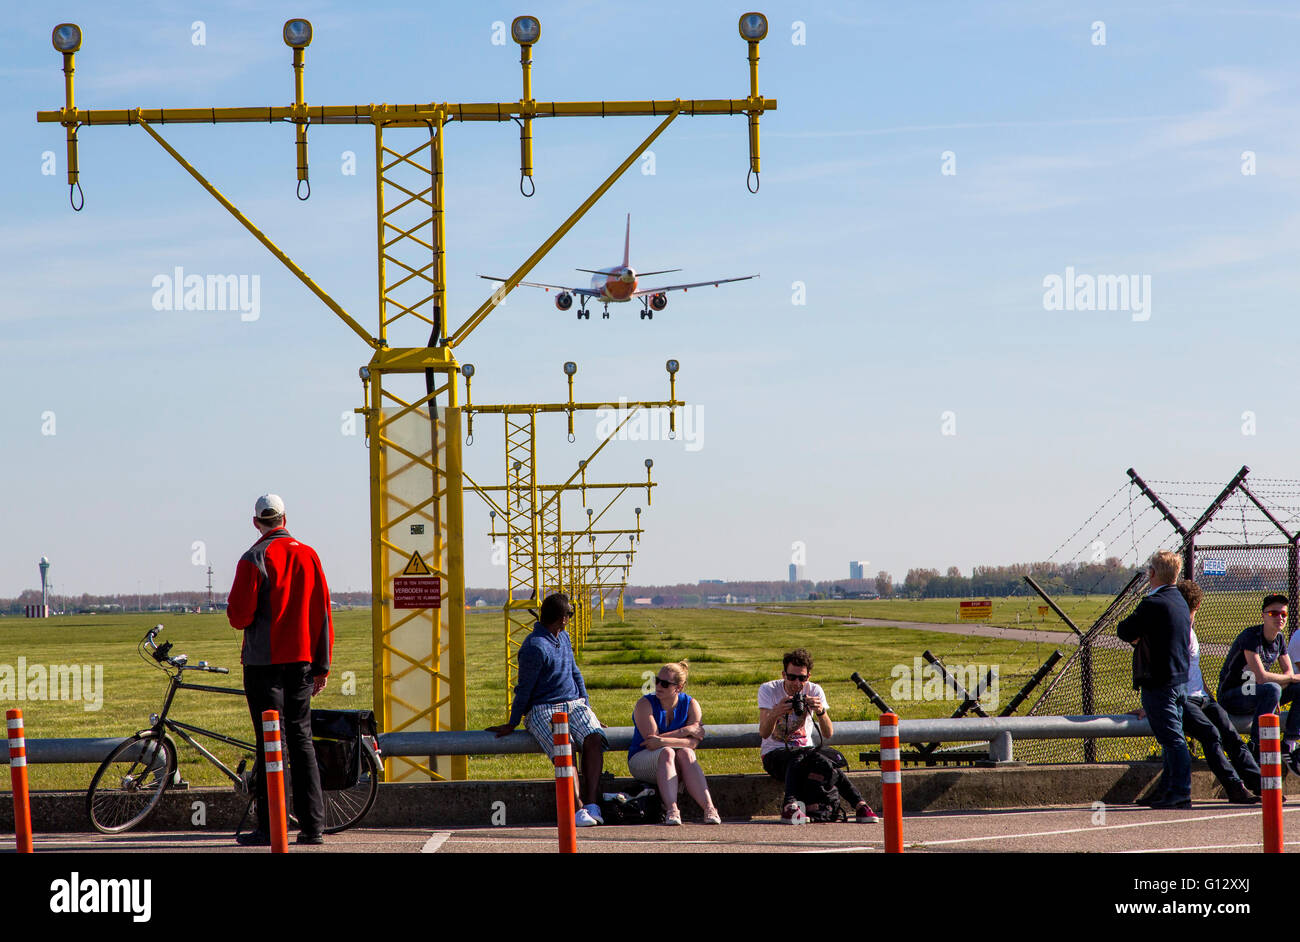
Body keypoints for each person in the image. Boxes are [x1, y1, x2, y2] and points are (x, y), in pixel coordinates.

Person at [226, 494, 334, 846]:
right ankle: (313, 826)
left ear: (256, 522)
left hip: (263, 666)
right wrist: (321, 666)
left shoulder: (253, 558)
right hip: (302, 663)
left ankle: (272, 827)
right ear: (285, 519)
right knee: (302, 740)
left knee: (271, 742)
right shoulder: (309, 555)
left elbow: (239, 616)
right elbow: (322, 614)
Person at [1135, 580, 1260, 805]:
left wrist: (1209, 695)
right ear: (1198, 606)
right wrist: (1156, 705)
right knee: (1211, 734)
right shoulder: (1174, 633)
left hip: (1202, 697)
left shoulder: (1189, 632)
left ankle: (1259, 783)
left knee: (1230, 733)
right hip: (1184, 698)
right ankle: (1235, 786)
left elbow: (1194, 669)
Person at [488, 592, 607, 828]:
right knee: (566, 748)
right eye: (570, 613)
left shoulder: (564, 637)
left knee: (594, 738)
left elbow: (575, 672)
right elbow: (524, 689)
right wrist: (513, 722)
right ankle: (577, 808)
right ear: (562, 618)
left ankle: (593, 804)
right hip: (543, 708)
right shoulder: (534, 647)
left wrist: (587, 707)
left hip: (574, 704)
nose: (571, 617)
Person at [758, 648, 879, 824]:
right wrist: (777, 711)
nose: (796, 683)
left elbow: (828, 733)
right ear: (784, 675)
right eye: (791, 677)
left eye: (802, 678)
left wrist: (821, 712)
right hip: (774, 754)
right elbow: (764, 733)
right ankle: (789, 806)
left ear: (808, 677)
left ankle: (860, 805)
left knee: (826, 762)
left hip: (807, 753)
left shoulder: (814, 690)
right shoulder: (769, 690)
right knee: (801, 756)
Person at [1116, 550, 1192, 809]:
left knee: (1172, 740)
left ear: (1152, 573)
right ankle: (1166, 789)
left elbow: (1124, 630)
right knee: (1172, 738)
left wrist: (1139, 637)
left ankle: (1180, 791)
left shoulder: (1153, 603)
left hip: (1159, 682)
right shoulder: (1179, 600)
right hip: (1179, 680)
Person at [628, 660, 721, 825]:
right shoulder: (644, 704)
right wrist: (685, 731)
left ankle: (709, 808)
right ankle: (672, 810)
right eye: (656, 680)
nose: (658, 686)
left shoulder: (691, 704)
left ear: (679, 687)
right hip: (642, 759)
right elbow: (651, 742)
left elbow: (692, 744)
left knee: (687, 753)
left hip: (675, 762)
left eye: (664, 684)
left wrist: (663, 740)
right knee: (667, 752)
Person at [1216, 593, 1300, 772]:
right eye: (1273, 613)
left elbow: (1288, 672)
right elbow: (1261, 677)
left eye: (1283, 614)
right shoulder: (1250, 636)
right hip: (1234, 695)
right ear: (1263, 615)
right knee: (1272, 689)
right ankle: (1256, 746)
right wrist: (1288, 681)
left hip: (1259, 694)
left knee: (1294, 687)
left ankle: (1289, 743)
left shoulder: (1279, 639)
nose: (1279, 618)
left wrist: (1287, 682)